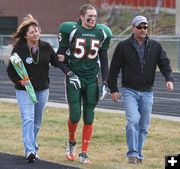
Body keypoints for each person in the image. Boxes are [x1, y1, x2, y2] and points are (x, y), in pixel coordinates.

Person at [108, 15, 174, 164]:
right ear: (133, 28)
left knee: (144, 126)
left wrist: (169, 79)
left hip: (147, 92)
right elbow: (114, 69)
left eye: (145, 27)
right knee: (133, 121)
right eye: (139, 27)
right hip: (129, 91)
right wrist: (113, 89)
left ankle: (138, 154)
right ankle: (132, 154)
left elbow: (164, 64)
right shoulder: (123, 46)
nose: (143, 29)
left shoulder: (155, 46)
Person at [57, 4, 112, 164]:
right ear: (81, 16)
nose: (93, 19)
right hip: (75, 77)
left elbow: (104, 58)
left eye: (95, 16)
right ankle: (71, 142)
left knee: (89, 117)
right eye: (90, 16)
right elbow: (58, 57)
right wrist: (69, 73)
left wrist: (105, 82)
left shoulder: (102, 32)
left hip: (91, 78)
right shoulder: (71, 29)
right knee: (75, 115)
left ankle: (84, 153)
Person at [7, 14, 65, 163]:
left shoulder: (46, 47)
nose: (36, 34)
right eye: (32, 32)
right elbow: (11, 70)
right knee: (27, 119)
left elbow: (55, 62)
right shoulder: (18, 49)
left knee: (37, 122)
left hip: (42, 89)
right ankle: (30, 151)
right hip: (24, 90)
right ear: (25, 36)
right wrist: (20, 82)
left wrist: (65, 60)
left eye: (37, 30)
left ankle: (32, 145)